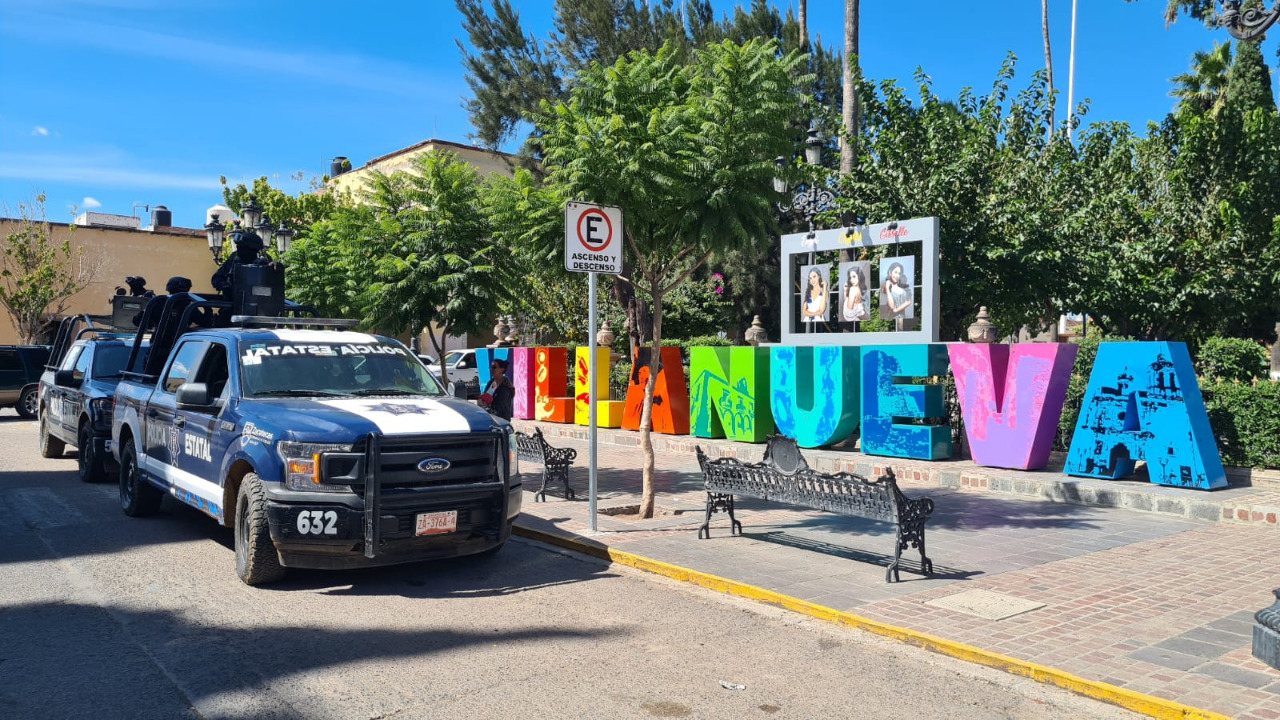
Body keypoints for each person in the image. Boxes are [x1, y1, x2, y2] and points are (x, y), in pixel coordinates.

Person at [211, 230, 280, 294]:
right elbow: (216, 278)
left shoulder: (263, 263)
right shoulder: (233, 260)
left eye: (242, 247)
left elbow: (272, 285)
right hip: (232, 301)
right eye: (238, 246)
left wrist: (275, 266)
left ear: (252, 249)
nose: (238, 249)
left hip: (255, 301)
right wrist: (223, 285)